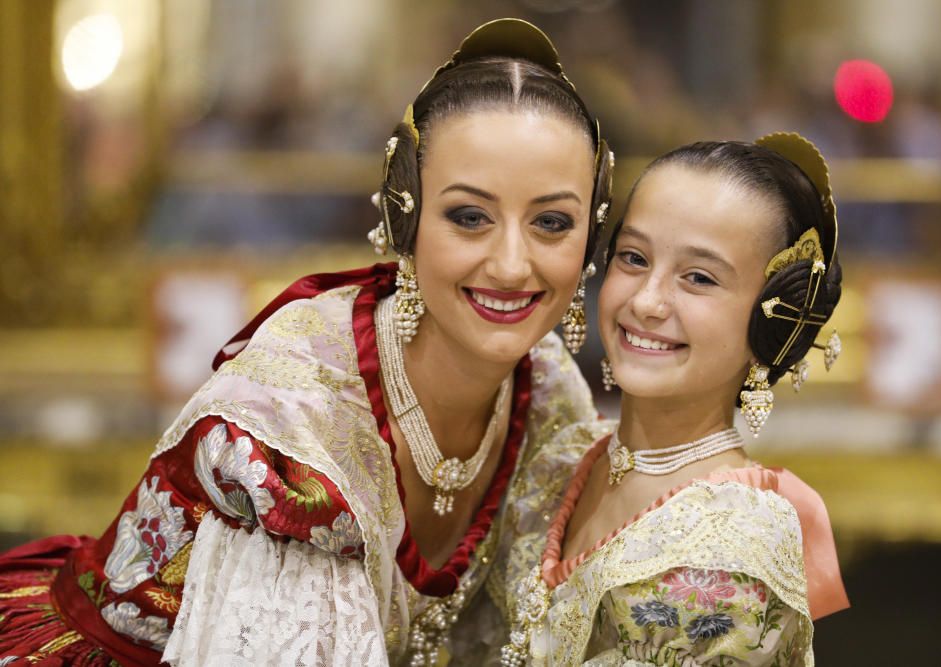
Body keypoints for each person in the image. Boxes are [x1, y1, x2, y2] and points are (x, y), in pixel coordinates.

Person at [0, 19, 613, 666]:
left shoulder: (545, 387)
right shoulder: (299, 420)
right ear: (405, 219)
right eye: (468, 216)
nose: (513, 265)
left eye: (551, 222)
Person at [491, 133, 850, 666]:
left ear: (774, 320)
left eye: (699, 278)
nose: (647, 300)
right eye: (634, 258)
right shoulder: (560, 459)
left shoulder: (733, 544)